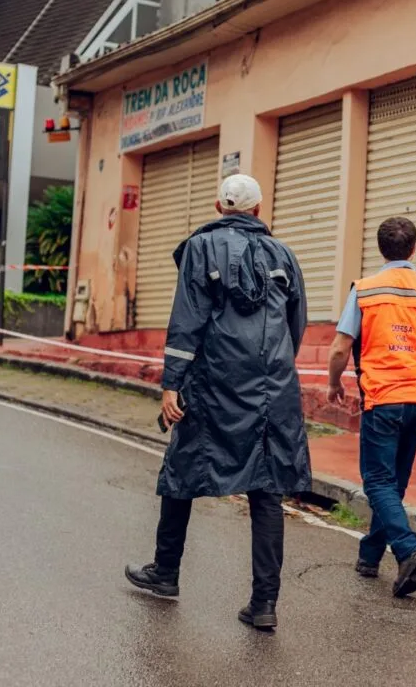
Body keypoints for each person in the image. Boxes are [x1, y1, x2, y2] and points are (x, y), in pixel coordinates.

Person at [125, 173, 311, 632]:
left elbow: (186, 319)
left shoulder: (199, 248)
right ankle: (264, 603)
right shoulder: (283, 254)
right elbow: (297, 323)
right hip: (273, 388)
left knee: (182, 471)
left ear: (217, 206)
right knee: (267, 489)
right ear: (259, 210)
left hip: (213, 382)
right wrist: (275, 368)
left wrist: (172, 384)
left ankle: (166, 573)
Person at [326, 216, 416, 599]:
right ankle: (370, 556)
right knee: (395, 482)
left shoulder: (366, 290)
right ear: (413, 249)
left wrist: (332, 383)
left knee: (377, 481)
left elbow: (341, 346)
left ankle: (407, 550)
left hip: (383, 397)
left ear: (380, 248)